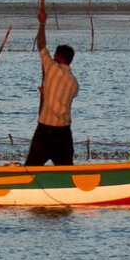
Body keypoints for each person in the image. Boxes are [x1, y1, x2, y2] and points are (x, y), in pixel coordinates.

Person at [26, 28, 78, 167]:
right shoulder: (74, 83)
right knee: (66, 169)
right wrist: (46, 92)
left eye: (55, 56)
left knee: (31, 168)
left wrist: (42, 22)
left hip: (46, 130)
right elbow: (59, 97)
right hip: (64, 131)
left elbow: (41, 44)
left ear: (58, 57)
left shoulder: (53, 68)